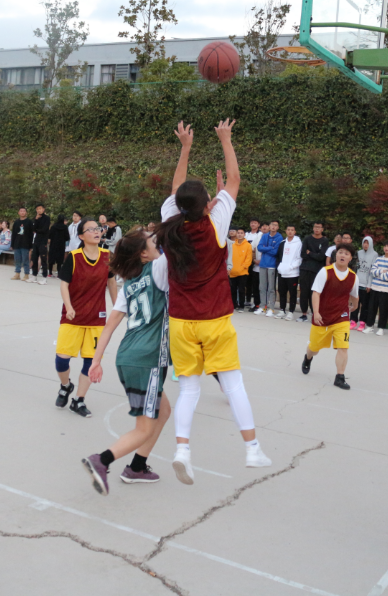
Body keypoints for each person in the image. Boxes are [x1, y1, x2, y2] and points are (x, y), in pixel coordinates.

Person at [157, 119, 271, 485]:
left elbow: (178, 189)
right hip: (214, 319)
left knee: (189, 389)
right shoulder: (215, 223)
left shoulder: (170, 223)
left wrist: (185, 148)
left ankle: (182, 451)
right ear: (208, 203)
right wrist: (226, 139)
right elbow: (234, 179)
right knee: (233, 384)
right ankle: (252, 448)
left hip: (180, 320)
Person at [82, 228, 173, 494]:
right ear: (144, 253)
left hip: (127, 356)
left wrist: (96, 361)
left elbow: (109, 326)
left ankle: (137, 467)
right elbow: (177, 233)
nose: (158, 242)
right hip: (148, 358)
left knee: (163, 411)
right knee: (144, 428)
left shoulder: (130, 283)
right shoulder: (158, 268)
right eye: (153, 241)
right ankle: (101, 460)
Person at [54, 217, 118, 417]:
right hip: (72, 317)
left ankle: (78, 400)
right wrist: (68, 306)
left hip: (96, 319)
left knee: (91, 362)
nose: (96, 231)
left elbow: (111, 282)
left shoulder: (107, 256)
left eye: (97, 228)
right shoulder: (74, 257)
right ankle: (65, 386)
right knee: (62, 360)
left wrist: (117, 307)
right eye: (90, 229)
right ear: (81, 236)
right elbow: (64, 284)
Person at [300, 243, 358, 389]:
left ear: (350, 258)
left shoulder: (353, 277)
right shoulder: (325, 272)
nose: (342, 255)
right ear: (335, 255)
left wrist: (355, 306)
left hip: (341, 317)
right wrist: (316, 312)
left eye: (346, 253)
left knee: (343, 347)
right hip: (322, 317)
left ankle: (340, 377)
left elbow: (354, 295)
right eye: (340, 252)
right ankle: (308, 358)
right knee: (314, 348)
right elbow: (316, 293)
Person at [362, 240, 388, 335]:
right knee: (371, 308)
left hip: (385, 289)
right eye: (385, 246)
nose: (386, 248)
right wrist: (382, 271)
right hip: (375, 287)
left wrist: (379, 274)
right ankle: (369, 326)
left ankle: (381, 328)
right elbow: (372, 271)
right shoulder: (378, 259)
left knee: (383, 309)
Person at [298, 222, 330, 322]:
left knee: (314, 292)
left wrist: (310, 253)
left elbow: (321, 257)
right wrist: (314, 255)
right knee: (304, 292)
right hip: (305, 268)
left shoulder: (325, 241)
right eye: (315, 227)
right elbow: (303, 254)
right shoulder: (307, 239)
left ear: (322, 229)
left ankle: (314, 313)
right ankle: (303, 314)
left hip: (317, 270)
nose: (317, 229)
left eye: (319, 227)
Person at [275, 225, 302, 320]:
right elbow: (279, 256)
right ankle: (282, 310)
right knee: (282, 292)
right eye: (288, 230)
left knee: (292, 293)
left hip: (293, 273)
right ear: (286, 231)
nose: (290, 231)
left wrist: (291, 267)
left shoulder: (298, 243)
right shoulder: (282, 243)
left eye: (292, 230)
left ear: (295, 231)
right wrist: (280, 267)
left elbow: (299, 258)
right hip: (282, 272)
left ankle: (291, 312)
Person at [255, 220, 282, 317]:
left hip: (272, 265)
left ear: (278, 227)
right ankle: (262, 306)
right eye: (272, 225)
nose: (273, 226)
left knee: (271, 288)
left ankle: (271, 308)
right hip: (263, 264)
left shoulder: (279, 237)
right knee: (262, 287)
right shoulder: (264, 236)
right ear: (269, 226)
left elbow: (276, 252)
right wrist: (270, 248)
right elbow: (259, 247)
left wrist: (265, 248)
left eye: (275, 225)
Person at [351, 236, 377, 331]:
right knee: (355, 302)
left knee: (365, 304)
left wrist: (369, 284)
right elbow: (355, 268)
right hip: (357, 282)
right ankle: (353, 321)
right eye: (364, 242)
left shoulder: (374, 255)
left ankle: (362, 322)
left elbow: (372, 270)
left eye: (367, 243)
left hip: (366, 284)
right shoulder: (359, 253)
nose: (365, 245)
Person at [229, 226, 253, 313]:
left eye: (241, 233)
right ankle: (234, 304)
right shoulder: (232, 245)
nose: (239, 235)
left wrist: (243, 267)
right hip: (232, 271)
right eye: (238, 233)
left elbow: (248, 259)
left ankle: (241, 306)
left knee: (242, 289)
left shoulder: (248, 245)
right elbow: (229, 257)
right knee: (233, 289)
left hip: (243, 272)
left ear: (244, 234)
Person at [29, 204, 51, 284]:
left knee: (43, 259)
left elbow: (44, 229)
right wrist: (36, 220)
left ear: (43, 209)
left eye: (40, 208)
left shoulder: (47, 218)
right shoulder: (37, 218)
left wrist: (37, 230)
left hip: (43, 241)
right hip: (36, 240)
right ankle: (34, 276)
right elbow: (33, 229)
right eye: (37, 209)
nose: (39, 210)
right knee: (34, 258)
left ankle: (44, 277)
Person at [244, 219, 262, 311]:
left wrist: (254, 259)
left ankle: (256, 302)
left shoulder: (260, 234)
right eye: (252, 223)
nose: (253, 224)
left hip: (255, 261)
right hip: (245, 260)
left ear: (258, 224)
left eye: (255, 223)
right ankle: (247, 300)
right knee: (246, 281)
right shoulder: (246, 234)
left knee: (254, 282)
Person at [11, 209, 33, 281]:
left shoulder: (29, 222)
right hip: (17, 243)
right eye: (21, 211)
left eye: (24, 211)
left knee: (25, 260)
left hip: (25, 244)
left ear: (26, 212)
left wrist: (30, 245)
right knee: (17, 259)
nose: (22, 212)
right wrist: (12, 244)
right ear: (18, 212)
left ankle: (26, 274)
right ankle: (17, 273)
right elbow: (13, 234)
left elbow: (31, 234)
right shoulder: (16, 222)